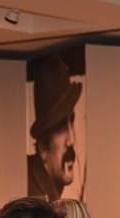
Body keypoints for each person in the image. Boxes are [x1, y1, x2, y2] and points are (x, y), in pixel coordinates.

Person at [28, 54, 81, 202]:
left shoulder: (48, 199)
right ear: (43, 148)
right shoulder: (35, 201)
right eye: (60, 128)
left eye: (71, 122)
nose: (71, 141)